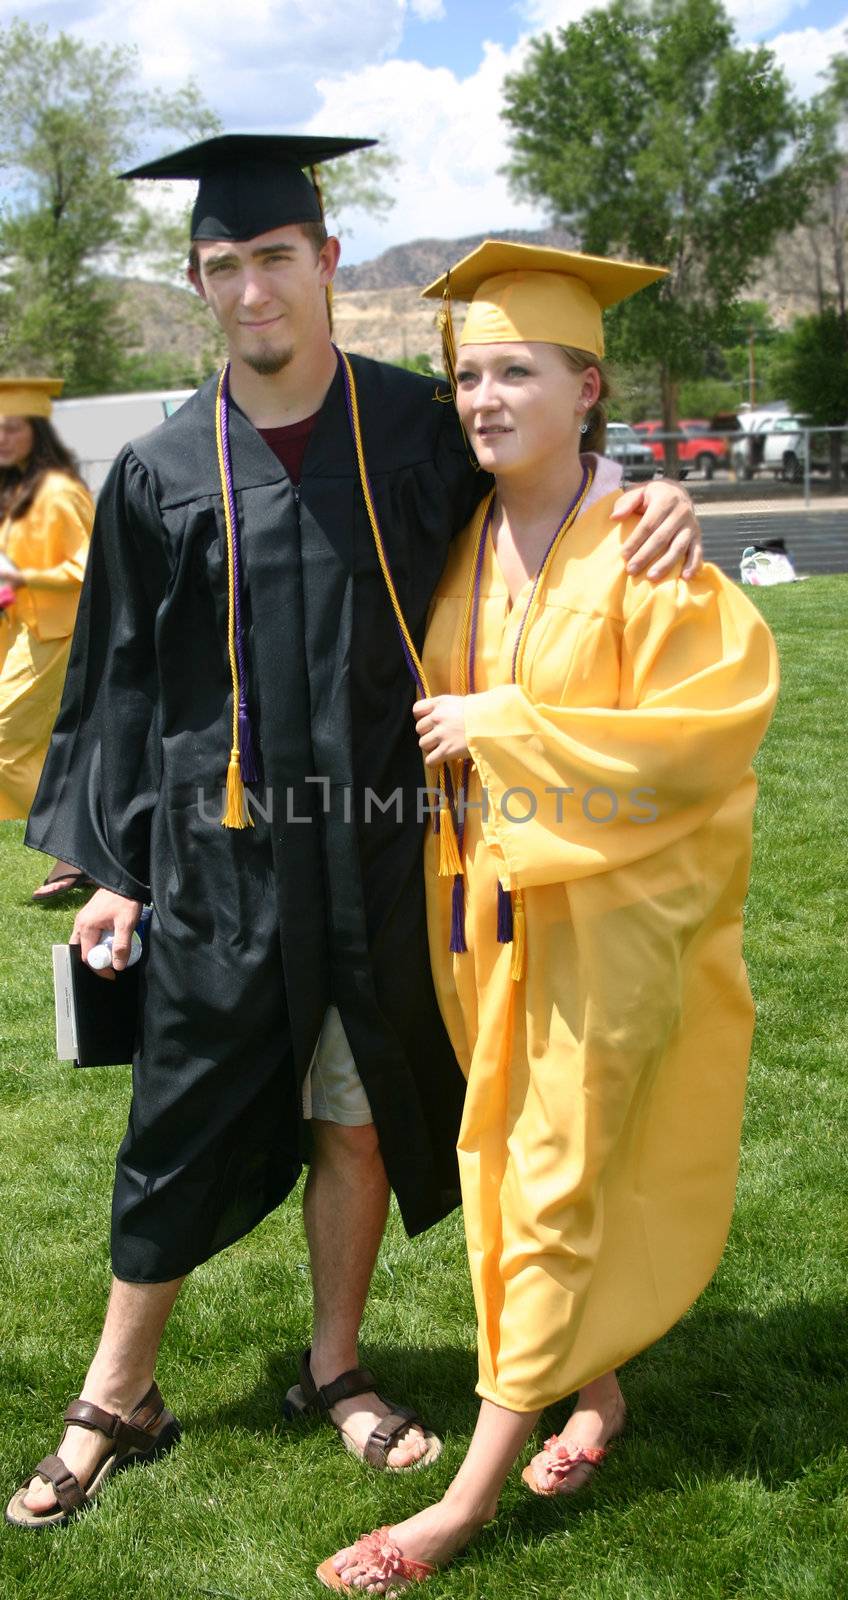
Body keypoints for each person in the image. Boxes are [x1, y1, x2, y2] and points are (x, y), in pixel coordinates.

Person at [6, 143, 703, 1530]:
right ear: (199, 283)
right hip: (224, 857)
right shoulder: (154, 468)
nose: (251, 288)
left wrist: (642, 486)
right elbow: (126, 684)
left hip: (395, 846)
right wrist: (118, 871)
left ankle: (335, 1369)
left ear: (326, 266)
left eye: (275, 257)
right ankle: (115, 1395)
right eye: (223, 266)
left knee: (363, 1117)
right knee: (178, 1116)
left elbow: (544, 485)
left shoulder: (416, 425)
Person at [319, 242, 778, 1592]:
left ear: (590, 388)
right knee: (507, 1168)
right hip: (478, 913)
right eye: (469, 372)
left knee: (562, 1171)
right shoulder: (461, 532)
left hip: (605, 919)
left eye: (518, 370)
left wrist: (506, 726)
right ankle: (601, 1392)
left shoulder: (647, 545)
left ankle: (460, 1498)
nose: (484, 396)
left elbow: (704, 736)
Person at [0, 379, 95, 901]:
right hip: (27, 628)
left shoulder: (59, 492)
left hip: (61, 632)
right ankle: (79, 851)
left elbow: (90, 565)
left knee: (6, 739)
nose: (2, 437)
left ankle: (78, 844)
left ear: (36, 432)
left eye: (12, 427)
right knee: (62, 748)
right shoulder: (20, 492)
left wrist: (22, 575)